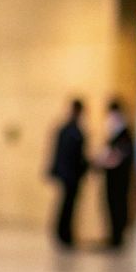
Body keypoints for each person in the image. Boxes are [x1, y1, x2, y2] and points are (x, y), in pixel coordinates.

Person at [47, 98, 88, 248]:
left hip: (68, 174)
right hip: (71, 175)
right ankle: (64, 234)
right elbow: (74, 155)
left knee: (66, 205)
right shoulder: (72, 131)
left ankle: (64, 233)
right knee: (67, 205)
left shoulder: (66, 129)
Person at [97, 98, 135, 250]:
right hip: (111, 177)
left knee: (118, 206)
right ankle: (113, 235)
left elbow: (123, 155)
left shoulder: (124, 132)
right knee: (110, 206)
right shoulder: (114, 132)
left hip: (119, 179)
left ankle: (117, 236)